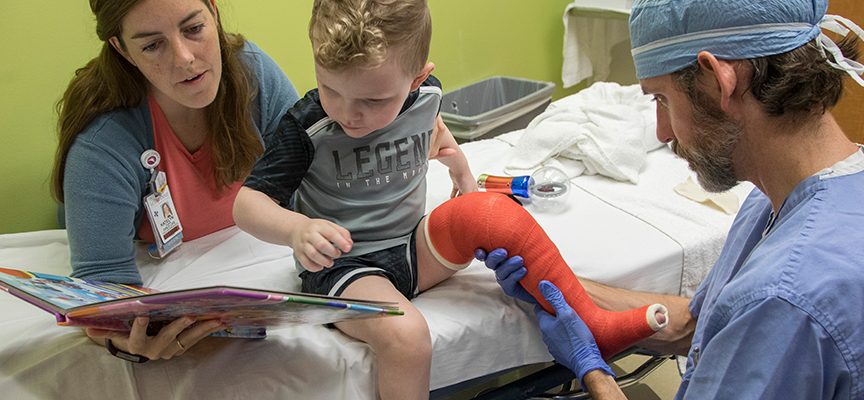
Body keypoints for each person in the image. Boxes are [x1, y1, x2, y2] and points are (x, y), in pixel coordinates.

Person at [481, 0, 864, 398]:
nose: (662, 132)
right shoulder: (779, 197)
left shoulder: (782, 298)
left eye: (661, 99)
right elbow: (699, 325)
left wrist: (592, 370)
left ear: (720, 80)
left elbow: (754, 317)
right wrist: (559, 284)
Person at [232, 1, 476, 398]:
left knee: (493, 222)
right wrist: (298, 229)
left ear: (416, 80)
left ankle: (587, 326)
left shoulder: (428, 95)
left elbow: (436, 131)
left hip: (415, 247)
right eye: (330, 88)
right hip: (344, 267)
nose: (349, 113)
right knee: (408, 336)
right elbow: (247, 205)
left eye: (374, 101)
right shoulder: (309, 126)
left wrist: (461, 171)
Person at [52, 0, 301, 361]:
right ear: (122, 49)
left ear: (214, 12)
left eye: (193, 28)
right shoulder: (101, 142)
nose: (184, 57)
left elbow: (310, 191)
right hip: (119, 225)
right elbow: (101, 288)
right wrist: (121, 338)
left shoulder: (254, 74)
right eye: (152, 45)